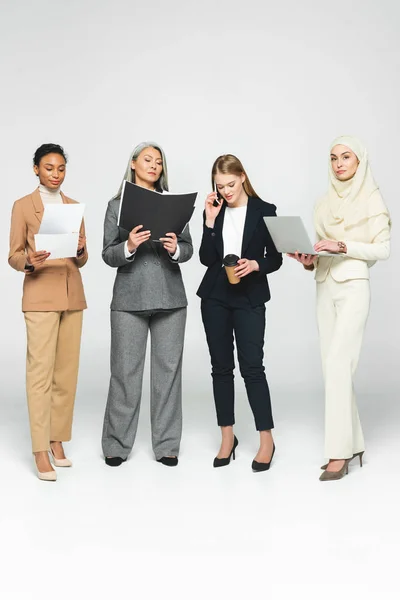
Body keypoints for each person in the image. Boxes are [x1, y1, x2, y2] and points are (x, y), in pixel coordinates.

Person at [288, 136, 391, 481]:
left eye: (346, 157)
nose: (339, 164)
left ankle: (338, 454)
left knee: (337, 363)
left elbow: (383, 249)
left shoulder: (371, 198)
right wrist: (306, 260)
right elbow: (320, 253)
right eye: (333, 158)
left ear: (359, 161)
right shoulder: (322, 203)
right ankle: (355, 442)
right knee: (333, 368)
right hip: (324, 285)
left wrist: (343, 244)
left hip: (353, 288)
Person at [101, 142, 193, 467]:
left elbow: (188, 248)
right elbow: (107, 254)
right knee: (125, 373)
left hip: (171, 297)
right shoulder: (116, 205)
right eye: (148, 160)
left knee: (168, 374)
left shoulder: (174, 204)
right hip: (129, 299)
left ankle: (167, 445)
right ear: (134, 163)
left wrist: (173, 249)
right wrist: (127, 245)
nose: (154, 166)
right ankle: (116, 445)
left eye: (159, 162)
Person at [197, 154, 282, 471]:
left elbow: (275, 258)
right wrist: (208, 221)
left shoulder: (265, 211)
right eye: (220, 186)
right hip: (215, 296)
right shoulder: (215, 210)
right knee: (220, 368)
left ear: (243, 177)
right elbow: (207, 259)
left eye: (230, 184)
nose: (226, 191)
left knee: (252, 368)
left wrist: (256, 264)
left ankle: (266, 441)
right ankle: (227, 438)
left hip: (249, 296)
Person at [8, 143, 88, 481]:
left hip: (72, 296)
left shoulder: (72, 206)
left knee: (66, 375)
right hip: (40, 295)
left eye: (60, 168)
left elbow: (81, 258)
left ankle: (57, 439)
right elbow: (13, 254)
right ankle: (40, 448)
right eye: (49, 168)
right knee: (40, 375)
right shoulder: (23, 207)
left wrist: (82, 250)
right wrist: (29, 261)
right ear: (36, 169)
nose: (55, 174)